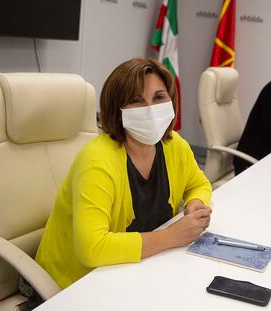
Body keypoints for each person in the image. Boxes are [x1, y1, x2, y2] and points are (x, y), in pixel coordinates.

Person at [36, 58, 212, 289]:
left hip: (136, 270)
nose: (150, 109)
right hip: (76, 283)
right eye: (136, 101)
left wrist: (195, 203)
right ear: (117, 110)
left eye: (159, 97)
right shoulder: (97, 160)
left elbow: (198, 184)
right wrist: (171, 236)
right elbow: (92, 248)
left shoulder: (174, 145)